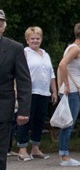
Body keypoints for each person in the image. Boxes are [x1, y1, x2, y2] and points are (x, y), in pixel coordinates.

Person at [0, 10, 31, 170]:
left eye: (1, 22)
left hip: (3, 107)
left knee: (0, 152)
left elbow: (24, 80)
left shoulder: (14, 48)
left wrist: (23, 109)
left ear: (4, 26)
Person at [16, 27, 58, 162]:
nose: (35, 40)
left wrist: (54, 91)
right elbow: (17, 72)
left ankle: (35, 148)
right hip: (29, 92)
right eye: (32, 38)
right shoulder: (24, 53)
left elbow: (51, 74)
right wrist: (17, 89)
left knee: (39, 121)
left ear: (41, 39)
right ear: (27, 40)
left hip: (44, 92)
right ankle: (22, 149)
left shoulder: (45, 54)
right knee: (25, 119)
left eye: (37, 38)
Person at [55, 23, 80, 166]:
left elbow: (62, 67)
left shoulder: (73, 48)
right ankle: (64, 156)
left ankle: (63, 153)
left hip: (70, 90)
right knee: (68, 123)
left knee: (67, 122)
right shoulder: (75, 49)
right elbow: (62, 64)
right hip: (72, 91)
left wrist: (60, 86)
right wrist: (66, 85)